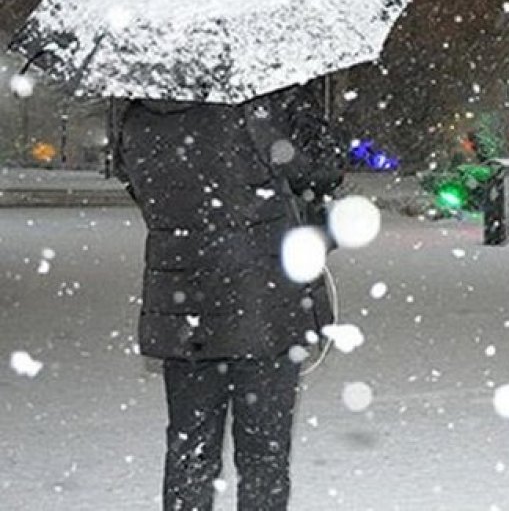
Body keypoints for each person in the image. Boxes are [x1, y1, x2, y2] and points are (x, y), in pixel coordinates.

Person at [113, 83, 344, 511]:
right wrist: (303, 113)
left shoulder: (137, 115)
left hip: (182, 305)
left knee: (190, 450)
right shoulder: (254, 108)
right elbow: (320, 170)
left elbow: (144, 191)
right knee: (263, 456)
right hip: (261, 306)